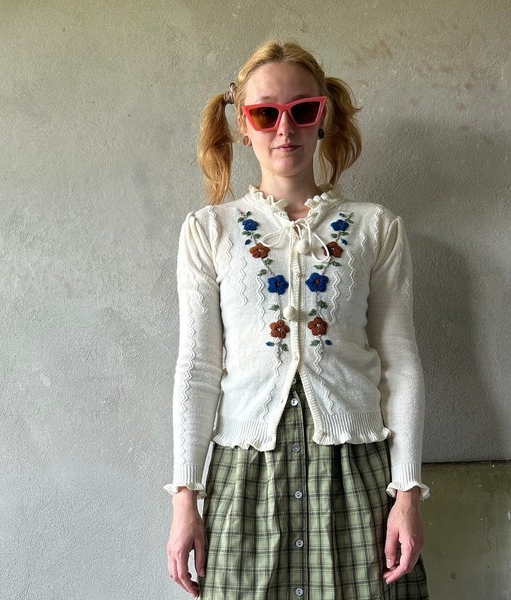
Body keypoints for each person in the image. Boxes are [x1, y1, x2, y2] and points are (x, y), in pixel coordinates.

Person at [166, 39, 429, 600]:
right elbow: (196, 370)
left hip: (355, 476)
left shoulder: (375, 228)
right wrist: (184, 499)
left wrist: (406, 492)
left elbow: (401, 365)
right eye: (266, 114)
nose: (284, 129)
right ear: (243, 124)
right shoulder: (209, 231)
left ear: (322, 116)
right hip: (247, 478)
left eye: (301, 110)